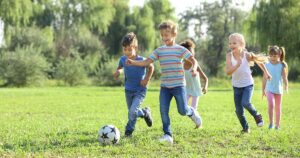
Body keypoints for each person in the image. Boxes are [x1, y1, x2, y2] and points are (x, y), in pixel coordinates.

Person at [126, 20, 202, 144]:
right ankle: (168, 135)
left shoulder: (180, 49)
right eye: (162, 35)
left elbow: (194, 61)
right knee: (163, 110)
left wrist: (193, 68)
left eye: (166, 35)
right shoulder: (159, 50)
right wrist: (133, 62)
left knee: (182, 110)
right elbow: (147, 62)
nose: (164, 38)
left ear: (174, 34)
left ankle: (192, 112)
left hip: (178, 86)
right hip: (165, 87)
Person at [225, 33, 271, 133]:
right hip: (236, 86)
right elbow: (228, 72)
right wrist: (236, 65)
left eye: (234, 43)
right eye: (230, 43)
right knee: (239, 111)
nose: (231, 45)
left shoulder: (247, 55)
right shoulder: (229, 56)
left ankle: (256, 115)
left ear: (241, 44)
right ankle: (245, 128)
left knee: (245, 102)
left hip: (248, 85)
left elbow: (259, 62)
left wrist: (266, 73)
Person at [113, 32, 154, 137]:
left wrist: (146, 80)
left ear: (135, 47)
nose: (127, 52)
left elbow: (151, 67)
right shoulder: (123, 59)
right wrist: (118, 72)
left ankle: (129, 130)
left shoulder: (142, 60)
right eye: (124, 49)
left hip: (140, 90)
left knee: (132, 112)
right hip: (128, 90)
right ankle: (145, 113)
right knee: (133, 112)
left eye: (129, 49)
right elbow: (121, 67)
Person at [180, 39, 208, 127]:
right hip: (186, 90)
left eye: (192, 54)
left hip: (196, 91)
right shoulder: (181, 64)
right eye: (188, 54)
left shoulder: (195, 65)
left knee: (193, 108)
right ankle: (196, 119)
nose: (191, 56)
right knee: (182, 107)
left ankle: (198, 124)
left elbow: (205, 78)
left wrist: (205, 87)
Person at [262, 46, 288, 130]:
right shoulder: (267, 65)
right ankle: (271, 124)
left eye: (275, 56)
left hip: (278, 90)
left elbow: (284, 77)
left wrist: (286, 85)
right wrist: (263, 90)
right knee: (271, 104)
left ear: (279, 55)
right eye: (271, 55)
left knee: (278, 108)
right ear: (269, 55)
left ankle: (277, 125)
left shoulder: (281, 65)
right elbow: (264, 78)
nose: (273, 57)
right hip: (269, 89)